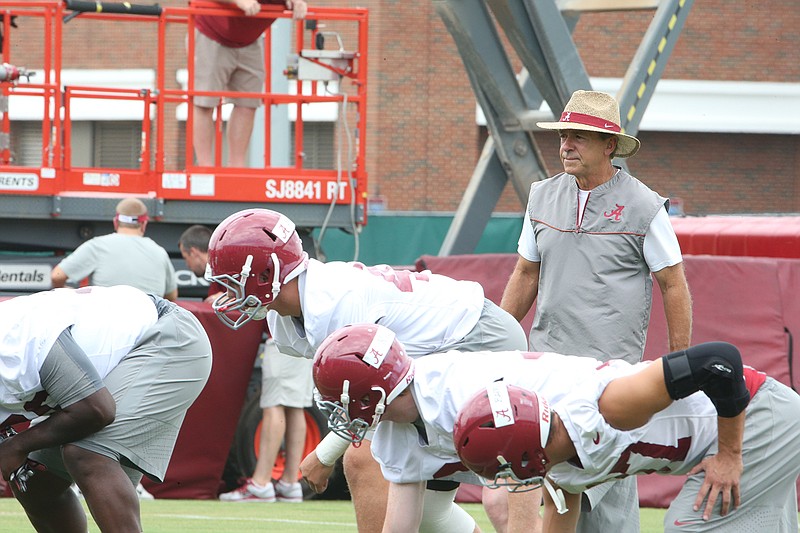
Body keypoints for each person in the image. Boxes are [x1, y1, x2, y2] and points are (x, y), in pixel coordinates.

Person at [205, 208, 531, 532]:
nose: (227, 293)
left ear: (266, 275)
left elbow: (368, 395)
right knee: (430, 509)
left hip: (477, 339)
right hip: (441, 349)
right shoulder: (291, 313)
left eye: (232, 280)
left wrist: (324, 454)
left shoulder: (334, 303)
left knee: (364, 459)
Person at [500, 89, 693, 531]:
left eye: (580, 137)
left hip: (611, 378)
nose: (566, 145)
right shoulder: (541, 196)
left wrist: (678, 365)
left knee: (605, 500)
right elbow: (526, 274)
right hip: (544, 371)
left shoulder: (645, 205)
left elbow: (673, 284)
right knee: (552, 492)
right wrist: (499, 343)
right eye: (564, 135)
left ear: (610, 146)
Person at [453, 342, 800, 533]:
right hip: (760, 421)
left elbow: (720, 361)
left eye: (504, 471)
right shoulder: (561, 469)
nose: (507, 482)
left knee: (686, 527)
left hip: (760, 416)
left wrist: (729, 454)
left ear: (528, 455)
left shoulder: (609, 409)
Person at [0, 285, 213, 532]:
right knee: (36, 482)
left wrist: (16, 446)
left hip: (166, 335)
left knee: (87, 453)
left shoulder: (14, 339)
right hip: (107, 376)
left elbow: (95, 410)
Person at [192, 0, 307, 167]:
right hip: (213, 32)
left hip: (250, 39)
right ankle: (204, 166)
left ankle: (236, 166)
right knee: (204, 101)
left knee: (248, 103)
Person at [219, 337, 313, 503]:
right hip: (303, 339)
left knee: (274, 404)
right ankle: (289, 484)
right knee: (296, 406)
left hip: (284, 337)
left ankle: (260, 483)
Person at [51, 197, 178, 301]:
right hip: (149, 329)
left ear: (115, 222)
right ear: (144, 224)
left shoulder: (97, 246)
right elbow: (172, 296)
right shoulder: (160, 253)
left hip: (107, 325)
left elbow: (57, 276)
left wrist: (78, 297)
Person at [179, 224, 223, 303]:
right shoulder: (216, 275)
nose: (187, 265)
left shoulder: (225, 271)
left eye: (185, 258)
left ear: (193, 252)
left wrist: (231, 299)